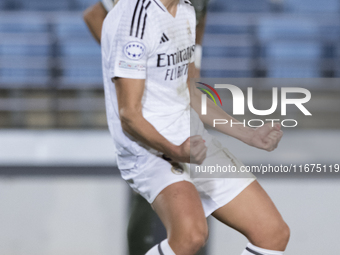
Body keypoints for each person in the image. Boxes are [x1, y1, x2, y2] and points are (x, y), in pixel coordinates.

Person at [102, 0, 289, 254]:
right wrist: (176, 151)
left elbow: (190, 93)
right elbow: (129, 115)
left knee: (272, 234)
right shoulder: (134, 16)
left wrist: (250, 134)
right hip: (149, 149)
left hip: (191, 141)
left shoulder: (188, 11)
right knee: (190, 236)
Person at [83, 1, 210, 254]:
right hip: (147, 109)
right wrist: (137, 67)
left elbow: (195, 32)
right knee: (149, 194)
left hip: (177, 100)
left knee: (197, 197)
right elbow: (94, 15)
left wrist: (187, 74)